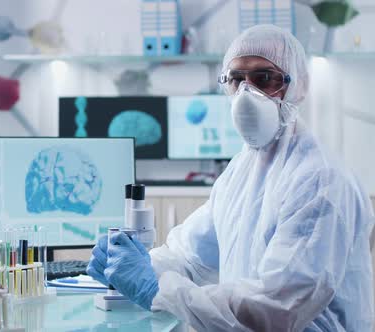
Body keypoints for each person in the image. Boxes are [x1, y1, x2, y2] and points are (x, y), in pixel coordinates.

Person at [87, 24, 375, 331]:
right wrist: (132, 262)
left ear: (297, 86)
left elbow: (275, 309)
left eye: (264, 78)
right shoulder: (242, 170)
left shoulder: (319, 180)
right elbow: (191, 256)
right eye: (236, 79)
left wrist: (156, 289)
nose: (246, 92)